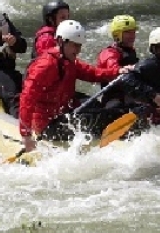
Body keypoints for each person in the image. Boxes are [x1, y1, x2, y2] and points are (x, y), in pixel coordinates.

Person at [19, 20, 131, 152]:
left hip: (63, 114)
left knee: (102, 109)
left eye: (80, 46)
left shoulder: (69, 61)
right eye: (74, 45)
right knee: (103, 117)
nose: (78, 50)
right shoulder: (45, 66)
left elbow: (92, 73)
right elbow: (27, 99)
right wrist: (26, 135)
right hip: (47, 126)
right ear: (60, 41)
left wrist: (117, 71)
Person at [120, 27, 160, 124]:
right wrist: (154, 95)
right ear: (156, 49)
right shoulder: (149, 65)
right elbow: (125, 79)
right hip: (142, 117)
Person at [96, 15, 139, 107]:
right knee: (116, 108)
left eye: (133, 32)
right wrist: (122, 70)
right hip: (113, 98)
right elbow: (113, 68)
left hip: (130, 94)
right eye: (128, 32)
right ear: (117, 34)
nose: (132, 36)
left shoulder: (130, 51)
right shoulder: (109, 53)